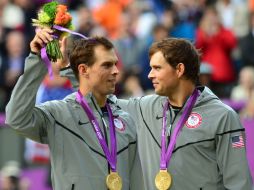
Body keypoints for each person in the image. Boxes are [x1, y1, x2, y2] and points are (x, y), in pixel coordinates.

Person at [61, 38, 253, 189]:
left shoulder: (223, 117)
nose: (149, 75)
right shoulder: (145, 107)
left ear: (179, 69)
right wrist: (73, 71)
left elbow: (239, 184)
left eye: (157, 68)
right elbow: (96, 98)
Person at [5, 28, 141, 190]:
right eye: (107, 65)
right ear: (83, 70)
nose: (116, 71)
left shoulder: (125, 118)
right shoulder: (59, 114)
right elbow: (16, 118)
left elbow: (136, 181)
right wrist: (37, 61)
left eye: (115, 64)